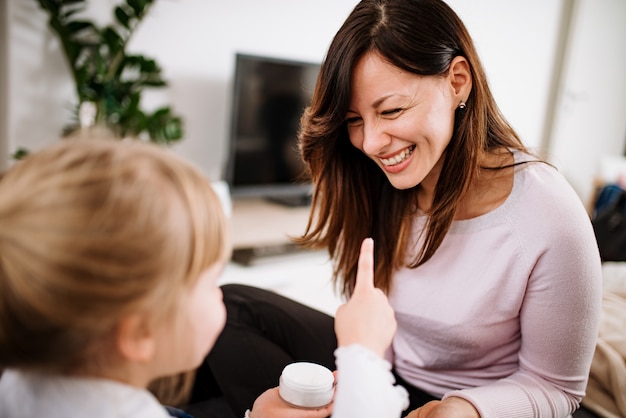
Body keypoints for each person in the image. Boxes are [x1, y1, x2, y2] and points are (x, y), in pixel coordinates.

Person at [200, 0, 603, 417]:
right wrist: (360, 373)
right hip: (382, 376)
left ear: (458, 82)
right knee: (230, 308)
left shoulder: (549, 215)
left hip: (464, 404)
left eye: (391, 110)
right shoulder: (374, 181)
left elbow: (556, 388)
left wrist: (465, 410)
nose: (371, 143)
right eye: (355, 119)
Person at [0, 138, 407, 418]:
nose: (220, 294)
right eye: (210, 281)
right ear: (140, 332)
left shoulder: (20, 386)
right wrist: (363, 358)